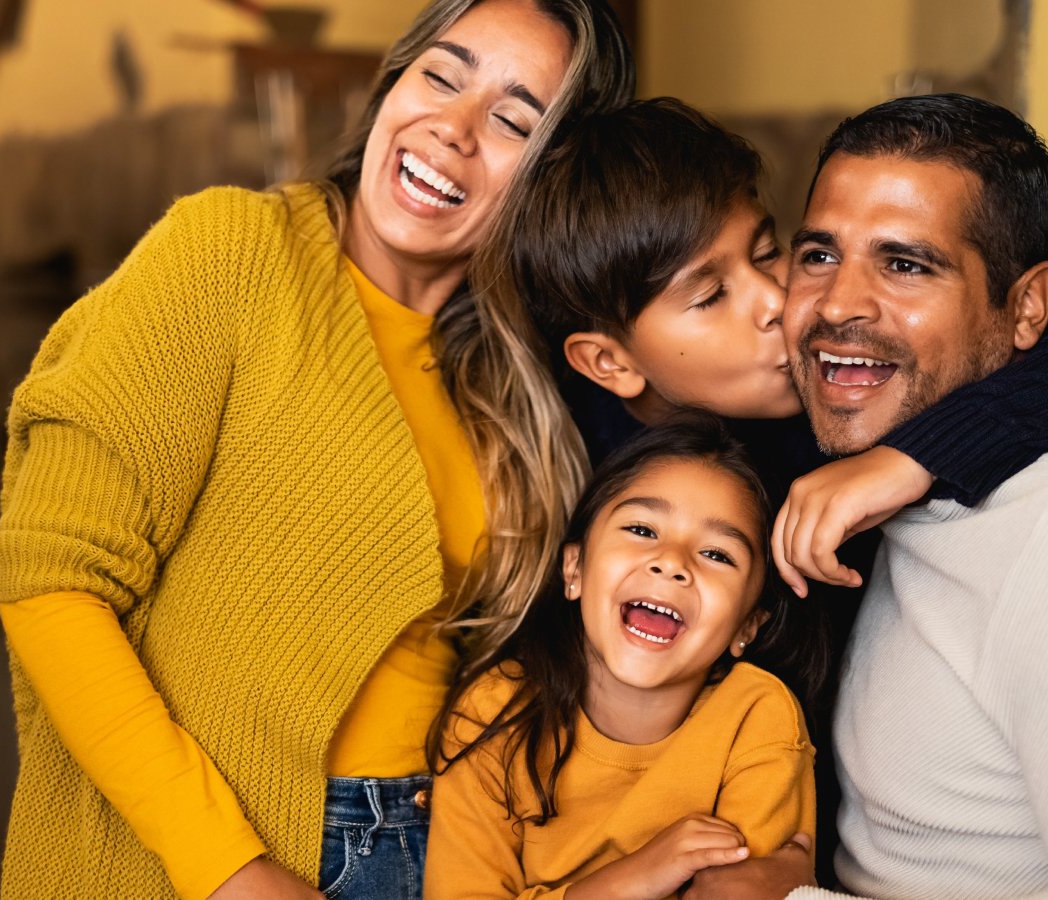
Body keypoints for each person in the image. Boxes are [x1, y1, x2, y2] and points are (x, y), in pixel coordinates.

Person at [0, 1, 634, 897]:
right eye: (440, 75)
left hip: (434, 849)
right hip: (214, 851)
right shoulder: (233, 254)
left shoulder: (519, 387)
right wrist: (230, 869)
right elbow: (52, 584)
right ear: (392, 84)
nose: (453, 128)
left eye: (513, 120)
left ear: (551, 179)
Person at [502, 96, 1048, 887]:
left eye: (904, 264)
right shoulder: (564, 480)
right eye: (819, 256)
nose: (807, 307)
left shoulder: (888, 453)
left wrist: (923, 454)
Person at [688, 93, 1048, 900]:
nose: (839, 304)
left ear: (1029, 307)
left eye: (906, 264)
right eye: (818, 255)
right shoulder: (809, 449)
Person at [424, 414, 821, 899]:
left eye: (718, 554)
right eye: (641, 528)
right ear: (575, 569)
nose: (672, 562)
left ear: (747, 626)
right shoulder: (492, 713)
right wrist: (637, 877)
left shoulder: (757, 716)